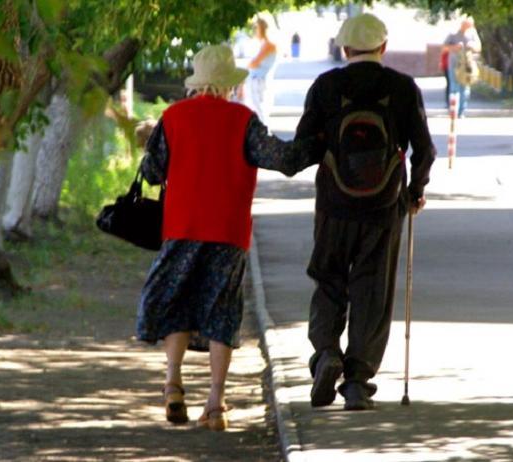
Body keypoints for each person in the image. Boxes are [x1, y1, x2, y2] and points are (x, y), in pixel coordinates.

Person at [136, 45, 319, 430]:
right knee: (222, 311)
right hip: (228, 232)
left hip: (181, 227)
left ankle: (172, 383)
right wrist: (317, 141)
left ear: (197, 83)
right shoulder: (243, 120)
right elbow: (283, 160)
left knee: (175, 302)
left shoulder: (173, 117)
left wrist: (152, 140)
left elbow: (152, 173)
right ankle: (216, 405)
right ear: (229, 85)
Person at [294, 13, 436, 411]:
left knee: (328, 279)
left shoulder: (326, 86)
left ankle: (325, 354)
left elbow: (304, 146)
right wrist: (414, 192)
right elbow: (424, 150)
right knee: (373, 291)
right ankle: (356, 381)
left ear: (344, 49)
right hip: (383, 206)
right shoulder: (402, 88)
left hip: (334, 206)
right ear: (383, 48)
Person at [443, 17, 482, 118]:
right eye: (466, 25)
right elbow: (444, 48)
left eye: (470, 25)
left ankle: (461, 112)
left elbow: (479, 47)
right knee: (454, 88)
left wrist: (472, 46)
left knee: (465, 89)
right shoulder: (453, 33)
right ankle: (453, 111)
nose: (468, 27)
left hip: (467, 66)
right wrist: (455, 47)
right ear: (462, 24)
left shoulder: (473, 33)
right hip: (454, 65)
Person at [246, 18, 277, 124]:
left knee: (259, 111)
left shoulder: (268, 45)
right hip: (257, 79)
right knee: (256, 110)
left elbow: (253, 63)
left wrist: (250, 63)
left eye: (256, 28)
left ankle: (262, 135)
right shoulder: (263, 45)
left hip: (259, 81)